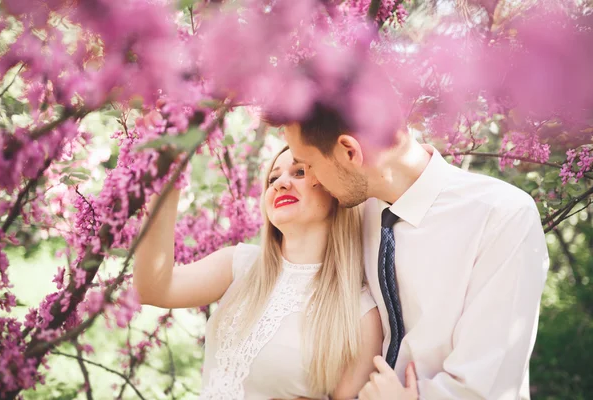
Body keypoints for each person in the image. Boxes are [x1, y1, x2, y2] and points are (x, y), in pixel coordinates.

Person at [274, 103, 549, 400]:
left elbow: (486, 385)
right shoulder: (353, 214)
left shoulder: (501, 217)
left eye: (308, 165)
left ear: (349, 152)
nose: (312, 179)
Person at [133, 146, 383, 399]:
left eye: (299, 172)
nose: (280, 184)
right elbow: (151, 289)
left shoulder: (360, 315)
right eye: (273, 179)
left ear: (338, 189)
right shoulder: (240, 264)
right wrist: (168, 180)